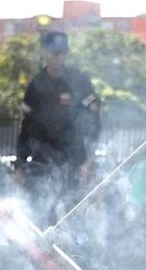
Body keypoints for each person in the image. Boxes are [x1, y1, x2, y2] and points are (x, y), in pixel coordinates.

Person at [14, 30, 100, 223]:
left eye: (62, 53)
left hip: (73, 158)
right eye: (54, 52)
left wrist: (88, 159)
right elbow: (25, 127)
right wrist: (19, 165)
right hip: (42, 157)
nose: (58, 57)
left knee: (73, 211)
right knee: (41, 209)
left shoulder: (79, 81)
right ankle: (44, 248)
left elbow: (94, 120)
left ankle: (75, 250)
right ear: (43, 52)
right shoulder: (35, 86)